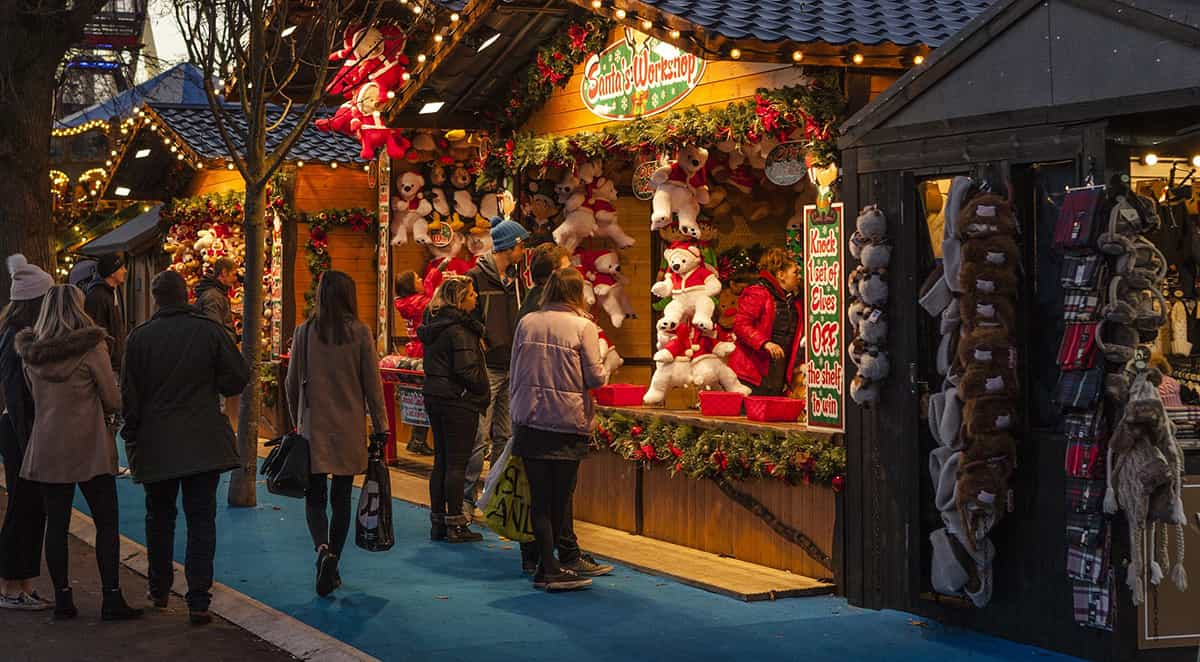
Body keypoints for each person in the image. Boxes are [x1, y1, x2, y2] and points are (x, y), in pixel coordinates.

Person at [122, 271, 249, 625]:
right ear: (186, 296)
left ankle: (159, 589)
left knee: (159, 518)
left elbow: (129, 396)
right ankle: (198, 599)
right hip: (202, 441)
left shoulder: (140, 338)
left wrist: (132, 436)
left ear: (155, 299)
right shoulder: (208, 331)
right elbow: (238, 376)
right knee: (201, 519)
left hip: (157, 441)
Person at [15, 285, 141, 621]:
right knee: (106, 522)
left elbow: (32, 397)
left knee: (55, 525)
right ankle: (111, 597)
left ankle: (64, 599)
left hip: (47, 446)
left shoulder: (31, 352)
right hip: (89, 447)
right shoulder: (91, 347)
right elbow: (113, 399)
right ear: (78, 308)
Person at [286, 270, 390, 597]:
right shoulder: (360, 334)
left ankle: (321, 549)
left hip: (312, 426)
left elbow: (291, 383)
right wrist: (382, 426)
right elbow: (373, 386)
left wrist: (296, 421)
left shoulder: (304, 333)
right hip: (349, 427)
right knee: (341, 498)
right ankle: (335, 560)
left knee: (314, 498)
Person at [514, 250, 612, 578]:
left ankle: (545, 564)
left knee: (539, 500)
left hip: (529, 418)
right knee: (560, 499)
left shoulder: (527, 321)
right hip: (566, 421)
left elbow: (516, 370)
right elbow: (596, 378)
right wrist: (611, 362)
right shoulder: (583, 326)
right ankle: (553, 565)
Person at [463, 217, 529, 515]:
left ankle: (494, 498)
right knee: (479, 434)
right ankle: (465, 497)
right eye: (521, 244)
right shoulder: (476, 277)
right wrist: (482, 337)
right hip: (488, 366)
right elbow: (468, 313)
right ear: (510, 246)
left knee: (505, 435)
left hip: (512, 364)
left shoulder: (518, 280)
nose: (524, 249)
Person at [418, 275, 489, 543]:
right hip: (458, 400)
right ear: (460, 299)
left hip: (435, 396)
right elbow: (467, 369)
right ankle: (455, 524)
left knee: (442, 462)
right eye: (471, 294)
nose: (476, 298)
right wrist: (482, 388)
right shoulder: (461, 329)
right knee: (457, 464)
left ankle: (438, 521)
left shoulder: (434, 324)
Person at [0, 255, 52, 611]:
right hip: (22, 430)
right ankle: (10, 585)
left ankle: (22, 583)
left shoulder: (15, 332)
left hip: (22, 429)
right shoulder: (17, 337)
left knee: (31, 507)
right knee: (24, 506)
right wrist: (28, 436)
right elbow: (15, 392)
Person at [728, 247, 805, 395]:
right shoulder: (758, 292)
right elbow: (740, 324)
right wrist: (764, 343)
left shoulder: (793, 299)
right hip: (753, 372)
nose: (798, 277)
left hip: (777, 372)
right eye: (795, 272)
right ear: (781, 275)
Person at [394, 270, 433, 456]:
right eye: (418, 278)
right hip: (423, 352)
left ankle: (416, 439)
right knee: (423, 399)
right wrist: (432, 279)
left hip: (413, 351)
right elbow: (435, 304)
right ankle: (418, 439)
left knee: (417, 398)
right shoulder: (419, 302)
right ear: (411, 284)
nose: (421, 280)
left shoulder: (405, 303)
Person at [83, 253, 128, 376]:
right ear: (112, 272)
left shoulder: (110, 293)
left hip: (114, 364)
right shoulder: (98, 296)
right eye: (121, 268)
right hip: (106, 366)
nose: (125, 271)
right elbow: (96, 332)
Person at [517, 244, 571, 322]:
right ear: (552, 275)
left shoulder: (539, 299)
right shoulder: (542, 309)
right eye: (566, 270)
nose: (572, 275)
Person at [194, 257, 238, 337]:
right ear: (224, 272)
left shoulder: (218, 293)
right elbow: (214, 331)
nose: (235, 279)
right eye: (233, 274)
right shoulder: (213, 297)